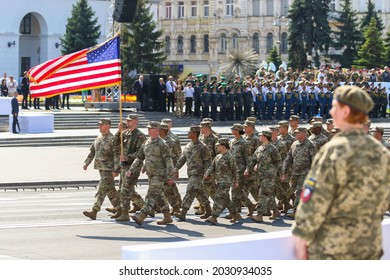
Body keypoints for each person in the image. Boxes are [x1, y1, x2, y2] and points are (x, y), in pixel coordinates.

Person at [292, 85, 390, 260]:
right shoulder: (382, 152)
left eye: (335, 107)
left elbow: (315, 198)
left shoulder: (335, 150)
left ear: (345, 111)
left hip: (335, 247)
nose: (331, 111)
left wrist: (302, 234)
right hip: (369, 244)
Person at [129, 121, 175, 226]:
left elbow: (168, 160)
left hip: (159, 174)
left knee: (151, 194)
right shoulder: (146, 142)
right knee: (158, 196)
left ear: (157, 130)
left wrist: (170, 176)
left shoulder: (162, 143)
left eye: (151, 128)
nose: (148, 130)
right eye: (148, 128)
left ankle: (142, 216)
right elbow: (139, 158)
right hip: (150, 174)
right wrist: (131, 170)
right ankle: (167, 217)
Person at [82, 118, 121, 220]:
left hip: (109, 170)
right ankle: (120, 209)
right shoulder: (98, 137)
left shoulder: (112, 139)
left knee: (101, 189)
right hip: (101, 168)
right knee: (110, 190)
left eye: (102, 125)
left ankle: (94, 211)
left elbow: (117, 155)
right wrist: (86, 162)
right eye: (99, 124)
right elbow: (92, 151)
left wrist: (116, 170)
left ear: (108, 126)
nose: (99, 126)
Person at [174, 125, 212, 221]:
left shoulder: (203, 147)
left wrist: (208, 173)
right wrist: (176, 168)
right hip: (190, 173)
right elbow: (182, 159)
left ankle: (183, 213)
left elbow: (208, 161)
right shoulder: (187, 146)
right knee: (200, 193)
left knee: (190, 191)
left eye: (189, 132)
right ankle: (208, 210)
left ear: (195, 133)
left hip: (199, 174)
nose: (188, 134)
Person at [113, 114, 147, 221]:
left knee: (126, 189)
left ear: (136, 122)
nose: (127, 122)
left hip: (134, 166)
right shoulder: (125, 133)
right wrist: (119, 131)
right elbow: (114, 144)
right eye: (127, 120)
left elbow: (141, 153)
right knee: (125, 189)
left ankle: (125, 213)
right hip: (124, 165)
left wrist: (126, 157)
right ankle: (143, 206)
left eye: (130, 121)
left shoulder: (140, 136)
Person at [245, 130, 282, 222]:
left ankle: (259, 215)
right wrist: (248, 169)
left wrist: (281, 174)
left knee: (263, 194)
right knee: (268, 194)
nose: (259, 137)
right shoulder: (259, 148)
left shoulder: (272, 149)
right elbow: (253, 160)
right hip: (260, 175)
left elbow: (278, 162)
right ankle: (276, 211)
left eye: (261, 135)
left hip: (269, 176)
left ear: (265, 137)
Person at [203, 138, 241, 225]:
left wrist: (236, 181)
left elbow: (235, 171)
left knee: (218, 198)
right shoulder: (218, 156)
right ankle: (235, 214)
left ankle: (214, 217)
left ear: (223, 146)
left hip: (226, 182)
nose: (217, 147)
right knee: (226, 199)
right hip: (218, 181)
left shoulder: (230, 157)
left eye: (218, 146)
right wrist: (207, 173)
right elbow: (212, 167)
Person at [281, 127, 316, 219]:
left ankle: (296, 211)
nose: (295, 134)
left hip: (305, 172)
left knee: (300, 191)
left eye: (297, 133)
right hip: (295, 172)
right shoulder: (294, 144)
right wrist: (284, 171)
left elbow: (314, 161)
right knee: (292, 190)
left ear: (304, 133)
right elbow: (289, 158)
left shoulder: (310, 145)